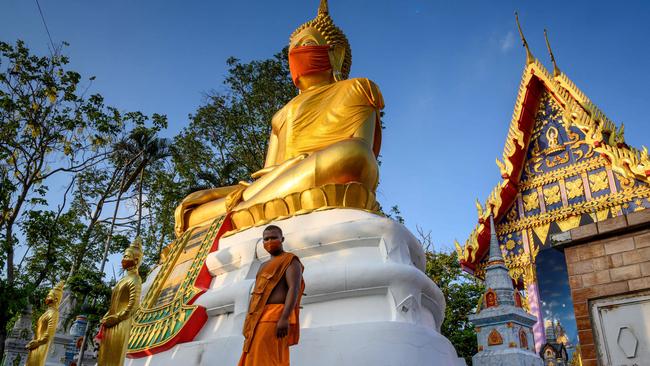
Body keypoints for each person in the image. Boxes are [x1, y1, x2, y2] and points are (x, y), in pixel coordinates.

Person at [238, 225, 305, 366]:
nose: (269, 241)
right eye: (266, 239)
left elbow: (294, 288)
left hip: (275, 317)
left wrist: (285, 318)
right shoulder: (263, 266)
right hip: (257, 317)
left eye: (274, 237)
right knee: (254, 356)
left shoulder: (290, 260)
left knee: (268, 358)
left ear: (282, 239)